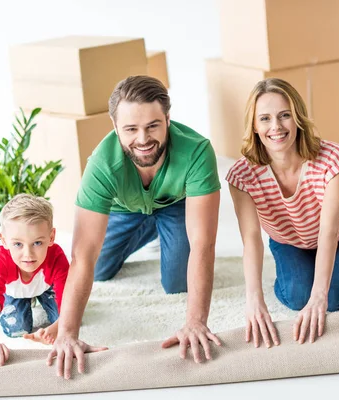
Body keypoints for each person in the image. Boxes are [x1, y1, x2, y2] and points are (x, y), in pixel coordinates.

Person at [48, 76, 222, 379]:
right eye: (131, 129)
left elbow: (203, 244)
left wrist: (196, 321)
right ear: (115, 127)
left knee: (177, 284)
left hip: (176, 206)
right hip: (124, 209)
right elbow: (82, 255)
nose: (143, 139)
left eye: (153, 126)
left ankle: (162, 226)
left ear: (168, 119)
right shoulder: (102, 163)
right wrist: (67, 332)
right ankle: (149, 228)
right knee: (98, 270)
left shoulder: (197, 151)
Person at [226, 78, 339, 348]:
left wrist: (319, 296)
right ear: (255, 126)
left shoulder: (331, 158)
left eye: (285, 116)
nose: (276, 127)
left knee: (332, 298)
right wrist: (253, 299)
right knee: (296, 297)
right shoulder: (242, 176)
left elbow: (328, 231)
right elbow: (251, 239)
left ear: (298, 119)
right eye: (265, 119)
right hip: (290, 239)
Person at [0, 194, 70, 367]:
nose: (28, 254)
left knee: (69, 319)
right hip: (14, 292)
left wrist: (54, 329)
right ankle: (25, 303)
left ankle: (42, 302)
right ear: (4, 241)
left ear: (51, 237)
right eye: (18, 244)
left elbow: (68, 299)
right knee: (17, 329)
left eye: (37, 243)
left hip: (46, 288)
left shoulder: (56, 257)